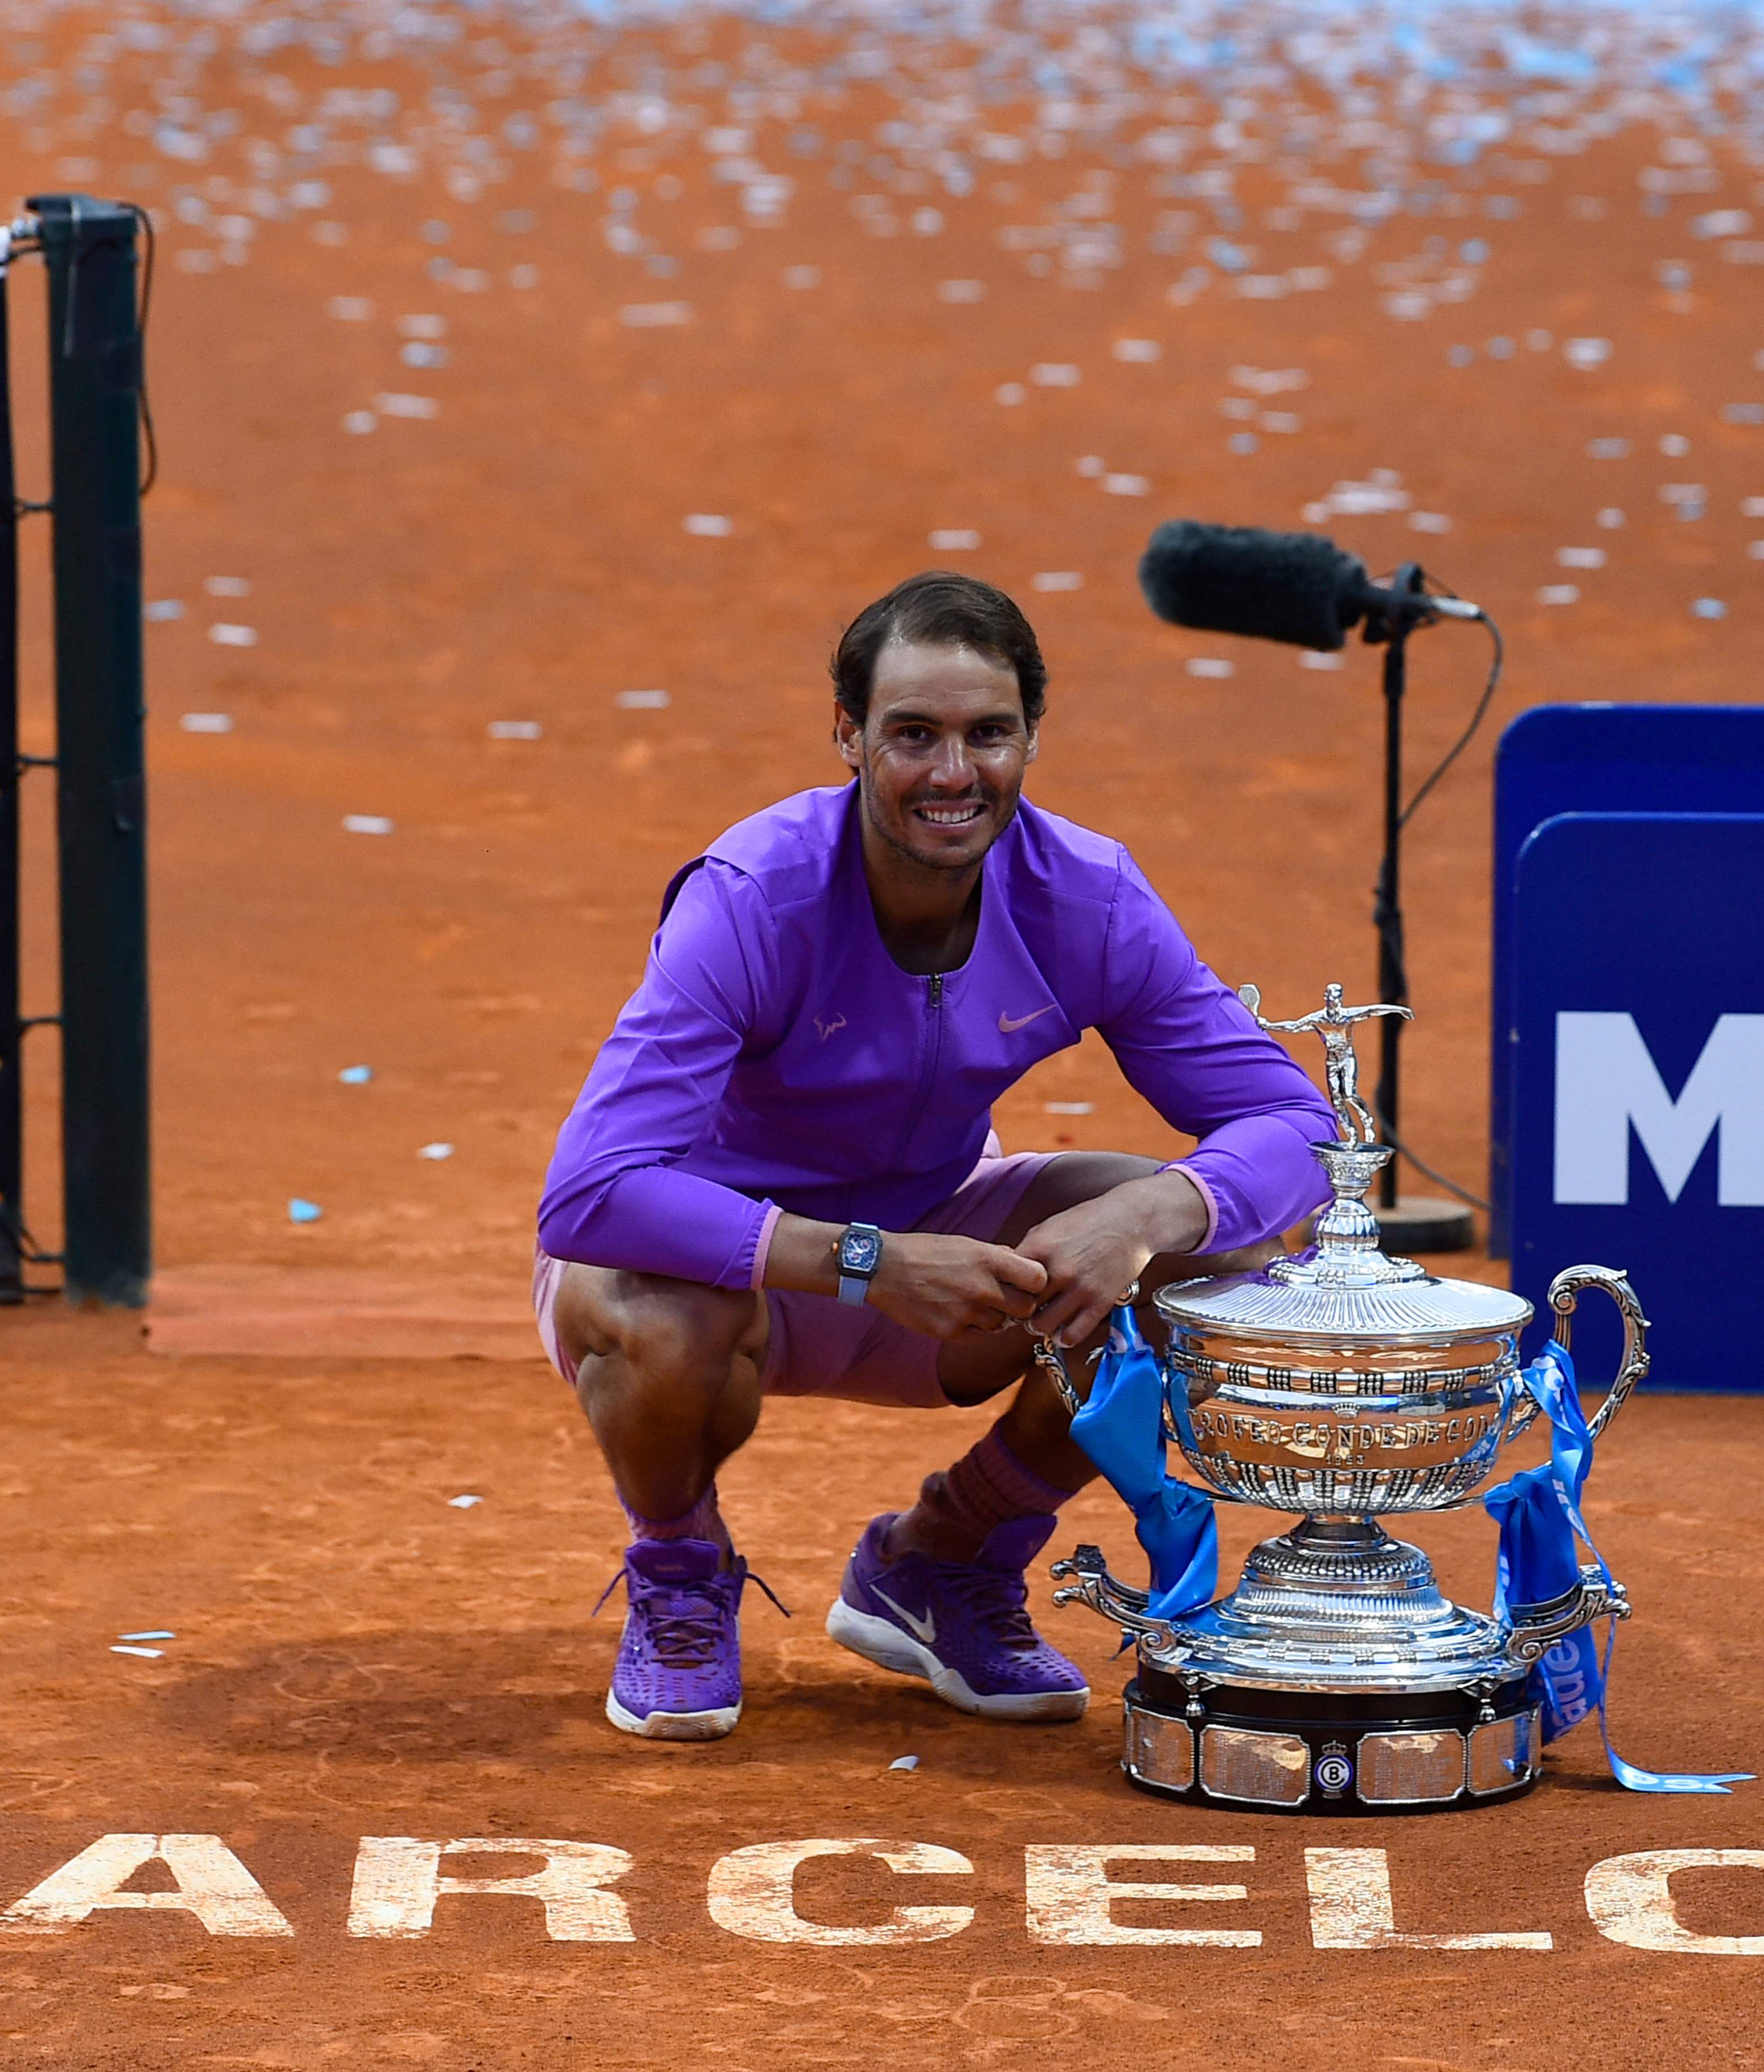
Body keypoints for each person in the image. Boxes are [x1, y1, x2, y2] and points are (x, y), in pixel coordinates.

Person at [536, 572, 1335, 1740]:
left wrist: (1150, 1213)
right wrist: (868, 1261)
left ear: (1031, 737)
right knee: (654, 1318)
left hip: (941, 1255)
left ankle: (945, 1556)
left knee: (1211, 1254)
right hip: (719, 1274)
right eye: (914, 733)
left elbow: (1301, 1126)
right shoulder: (753, 897)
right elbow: (591, 1194)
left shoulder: (1087, 898)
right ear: (849, 734)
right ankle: (679, 1565)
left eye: (987, 734)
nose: (953, 772)